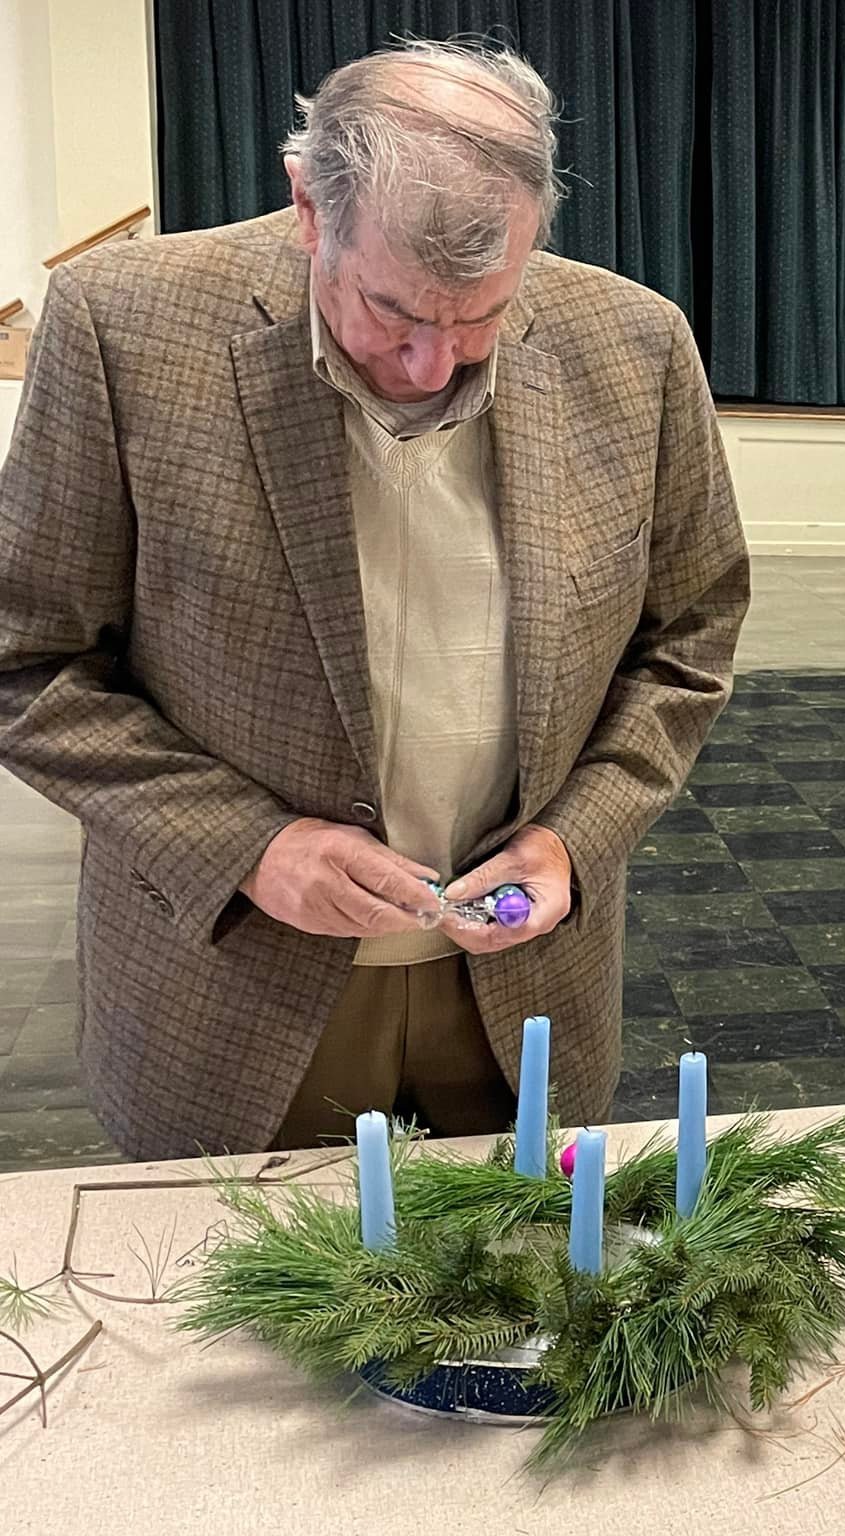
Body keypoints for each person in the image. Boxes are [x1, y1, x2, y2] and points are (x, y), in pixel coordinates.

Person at [0, 41, 748, 1160]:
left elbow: (690, 635)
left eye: (482, 316)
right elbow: (28, 661)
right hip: (236, 980)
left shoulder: (635, 344)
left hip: (520, 989)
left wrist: (577, 838)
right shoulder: (127, 327)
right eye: (390, 308)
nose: (430, 364)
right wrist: (248, 844)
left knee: (522, 1297)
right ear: (310, 207)